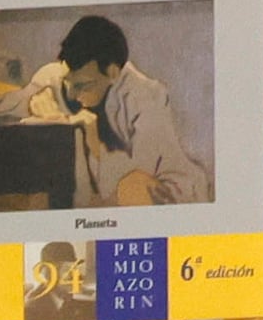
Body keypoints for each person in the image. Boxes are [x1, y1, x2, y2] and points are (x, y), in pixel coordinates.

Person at [13, 12, 211, 207]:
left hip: (164, 193)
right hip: (94, 194)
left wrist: (93, 139)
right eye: (68, 84)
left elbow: (135, 176)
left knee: (132, 188)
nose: (72, 94)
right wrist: (32, 102)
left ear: (113, 72)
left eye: (83, 86)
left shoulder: (147, 96)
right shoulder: (59, 75)